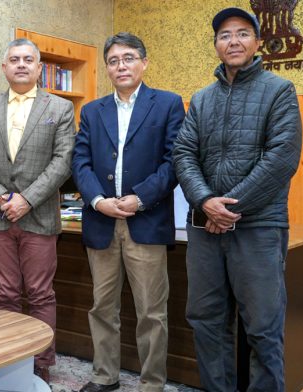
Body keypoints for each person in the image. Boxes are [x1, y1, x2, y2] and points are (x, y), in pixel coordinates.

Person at [173, 8, 302, 392]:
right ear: (216, 45)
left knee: (263, 327)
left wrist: (226, 208)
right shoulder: (201, 98)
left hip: (259, 228)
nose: (233, 41)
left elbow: (281, 158)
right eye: (225, 35)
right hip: (205, 229)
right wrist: (205, 200)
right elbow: (183, 154)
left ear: (258, 43)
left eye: (243, 34)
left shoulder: (279, 91)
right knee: (206, 321)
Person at [72, 32, 185, 392]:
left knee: (152, 312)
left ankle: (152, 383)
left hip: (146, 220)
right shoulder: (91, 110)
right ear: (107, 68)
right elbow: (80, 162)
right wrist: (97, 200)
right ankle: (105, 377)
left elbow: (174, 162)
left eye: (129, 58)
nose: (121, 65)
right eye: (114, 60)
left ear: (144, 63)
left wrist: (139, 198)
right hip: (102, 220)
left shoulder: (167, 104)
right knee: (102, 307)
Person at [0, 38, 75, 383]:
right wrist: (1, 198)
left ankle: (40, 364)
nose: (22, 64)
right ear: (4, 67)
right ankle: (9, 359)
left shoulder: (59, 108)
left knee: (41, 294)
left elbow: (63, 161)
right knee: (6, 294)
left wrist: (26, 199)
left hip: (39, 216)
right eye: (15, 59)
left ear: (39, 67)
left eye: (29, 59)